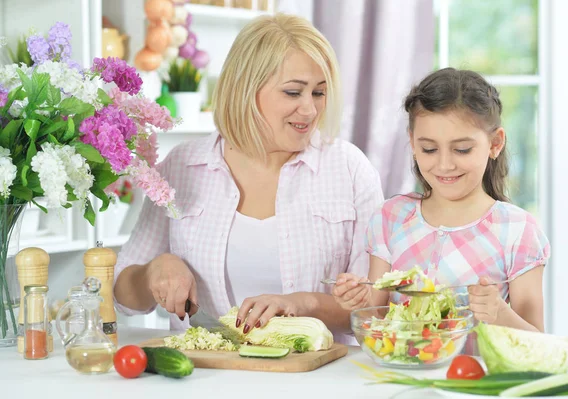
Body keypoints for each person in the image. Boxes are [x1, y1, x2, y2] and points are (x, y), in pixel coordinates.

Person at [112, 13, 384, 342]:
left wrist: (303, 303)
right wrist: (156, 270)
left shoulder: (349, 169)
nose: (310, 110)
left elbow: (374, 309)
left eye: (319, 93)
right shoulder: (183, 166)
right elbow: (122, 294)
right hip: (202, 380)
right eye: (293, 93)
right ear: (246, 90)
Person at [333, 68, 550, 338]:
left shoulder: (517, 230)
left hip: (472, 378)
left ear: (495, 143)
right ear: (412, 143)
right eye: (429, 149)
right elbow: (376, 314)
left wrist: (499, 312)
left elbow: (537, 342)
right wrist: (357, 299)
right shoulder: (391, 217)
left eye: (462, 149)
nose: (445, 164)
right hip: (401, 377)